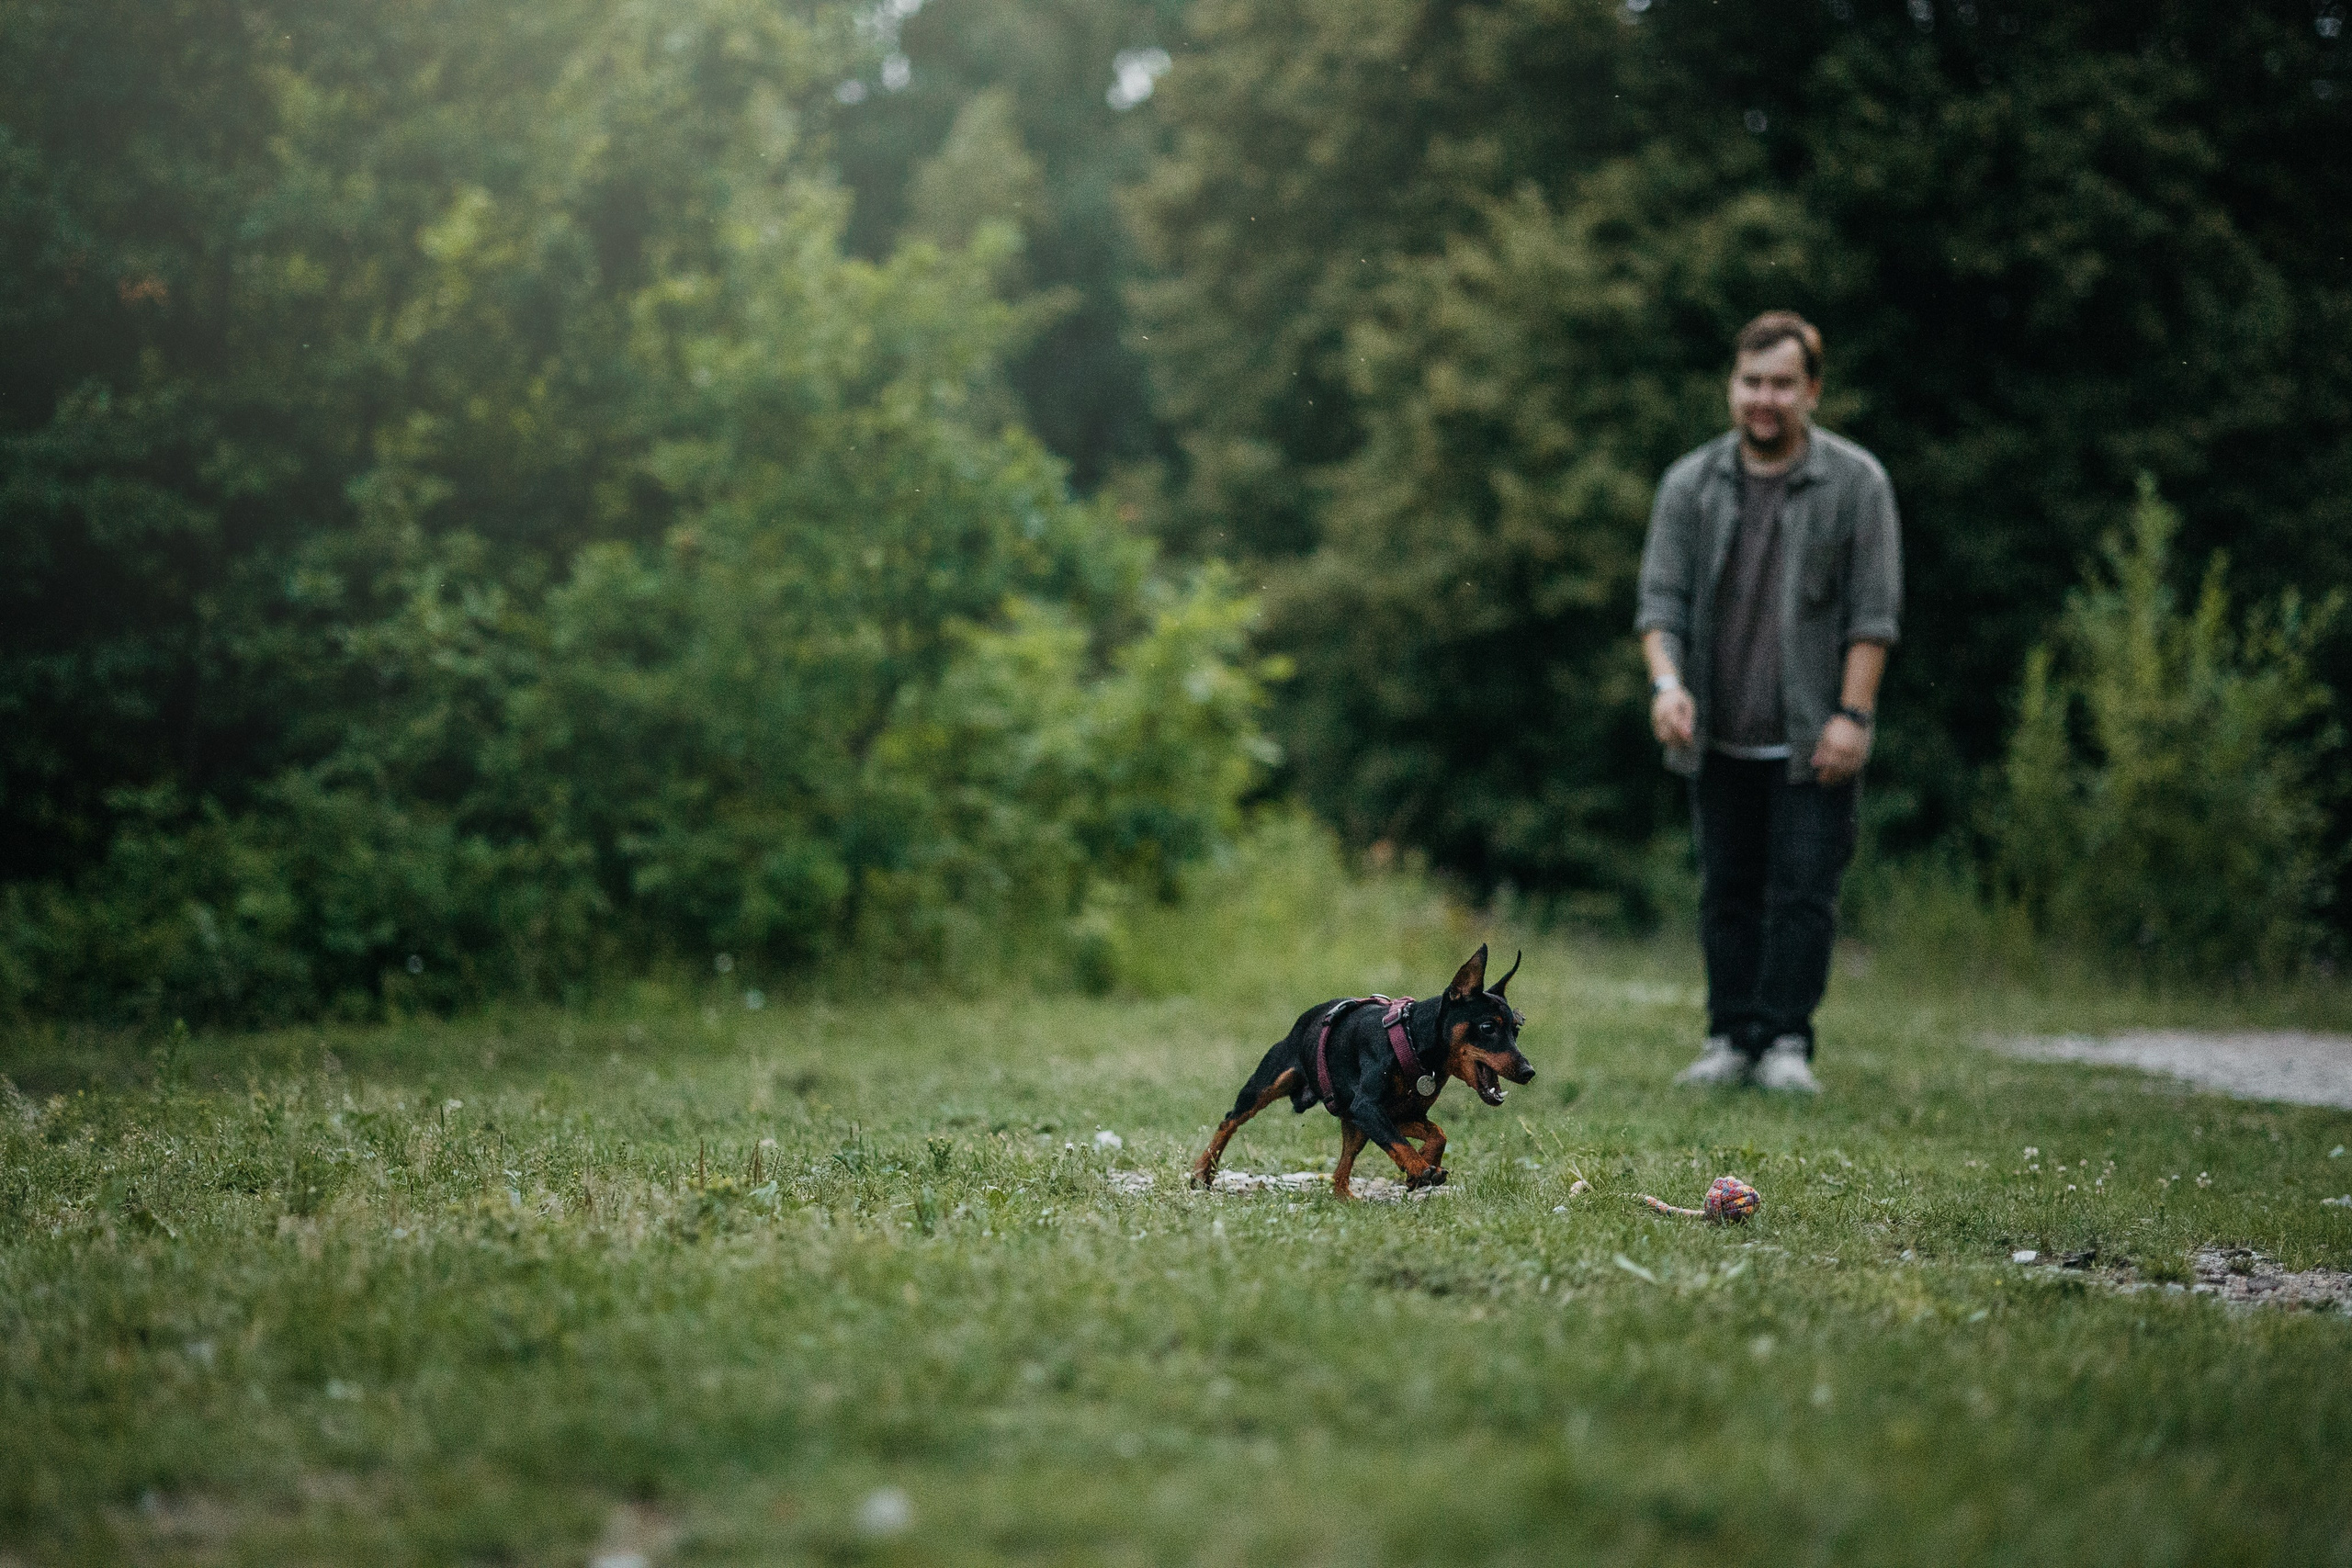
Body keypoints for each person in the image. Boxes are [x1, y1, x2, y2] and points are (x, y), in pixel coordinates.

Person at [1634, 311, 1901, 1092]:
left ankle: (1786, 1042)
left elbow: (1872, 615)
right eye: (1752, 381)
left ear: (1811, 389)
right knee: (1726, 890)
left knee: (1803, 893)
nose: (1765, 398)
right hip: (1715, 731)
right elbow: (1661, 606)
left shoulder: (1857, 484)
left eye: (1783, 383)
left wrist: (1852, 718)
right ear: (1732, 386)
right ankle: (1729, 1039)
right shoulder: (1689, 484)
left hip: (1812, 732)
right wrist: (1667, 685)